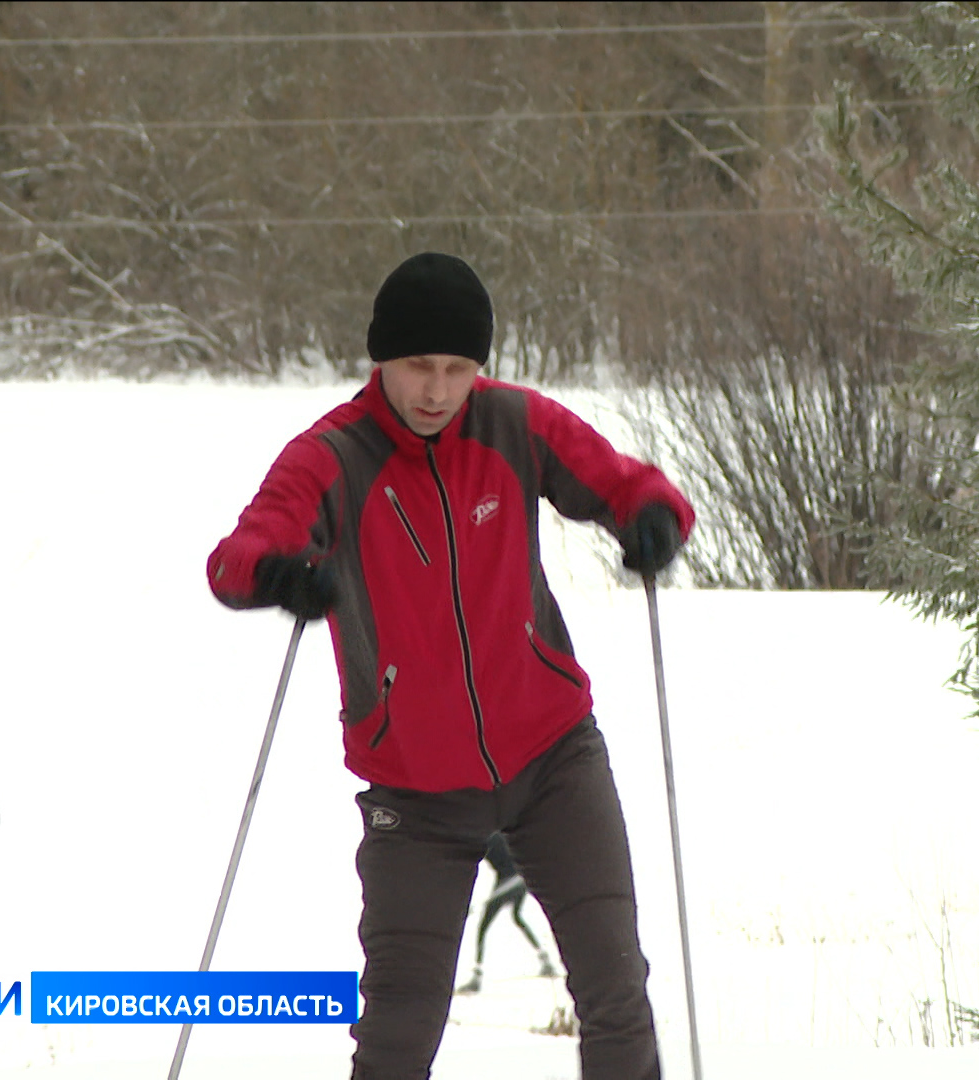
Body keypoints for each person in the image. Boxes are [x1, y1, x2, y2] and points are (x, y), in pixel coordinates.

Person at [207, 251, 691, 1080]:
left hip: (553, 755)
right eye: (418, 367)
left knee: (615, 983)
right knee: (400, 1016)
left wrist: (651, 518)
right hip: (415, 789)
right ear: (380, 360)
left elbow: (627, 483)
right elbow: (238, 555)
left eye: (458, 369)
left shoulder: (514, 424)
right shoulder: (331, 456)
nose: (436, 390)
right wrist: (279, 573)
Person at [454, 831, 558, 994]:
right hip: (519, 879)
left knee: (483, 926)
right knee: (518, 918)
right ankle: (545, 960)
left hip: (508, 880)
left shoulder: (483, 838)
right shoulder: (497, 834)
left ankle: (476, 977)